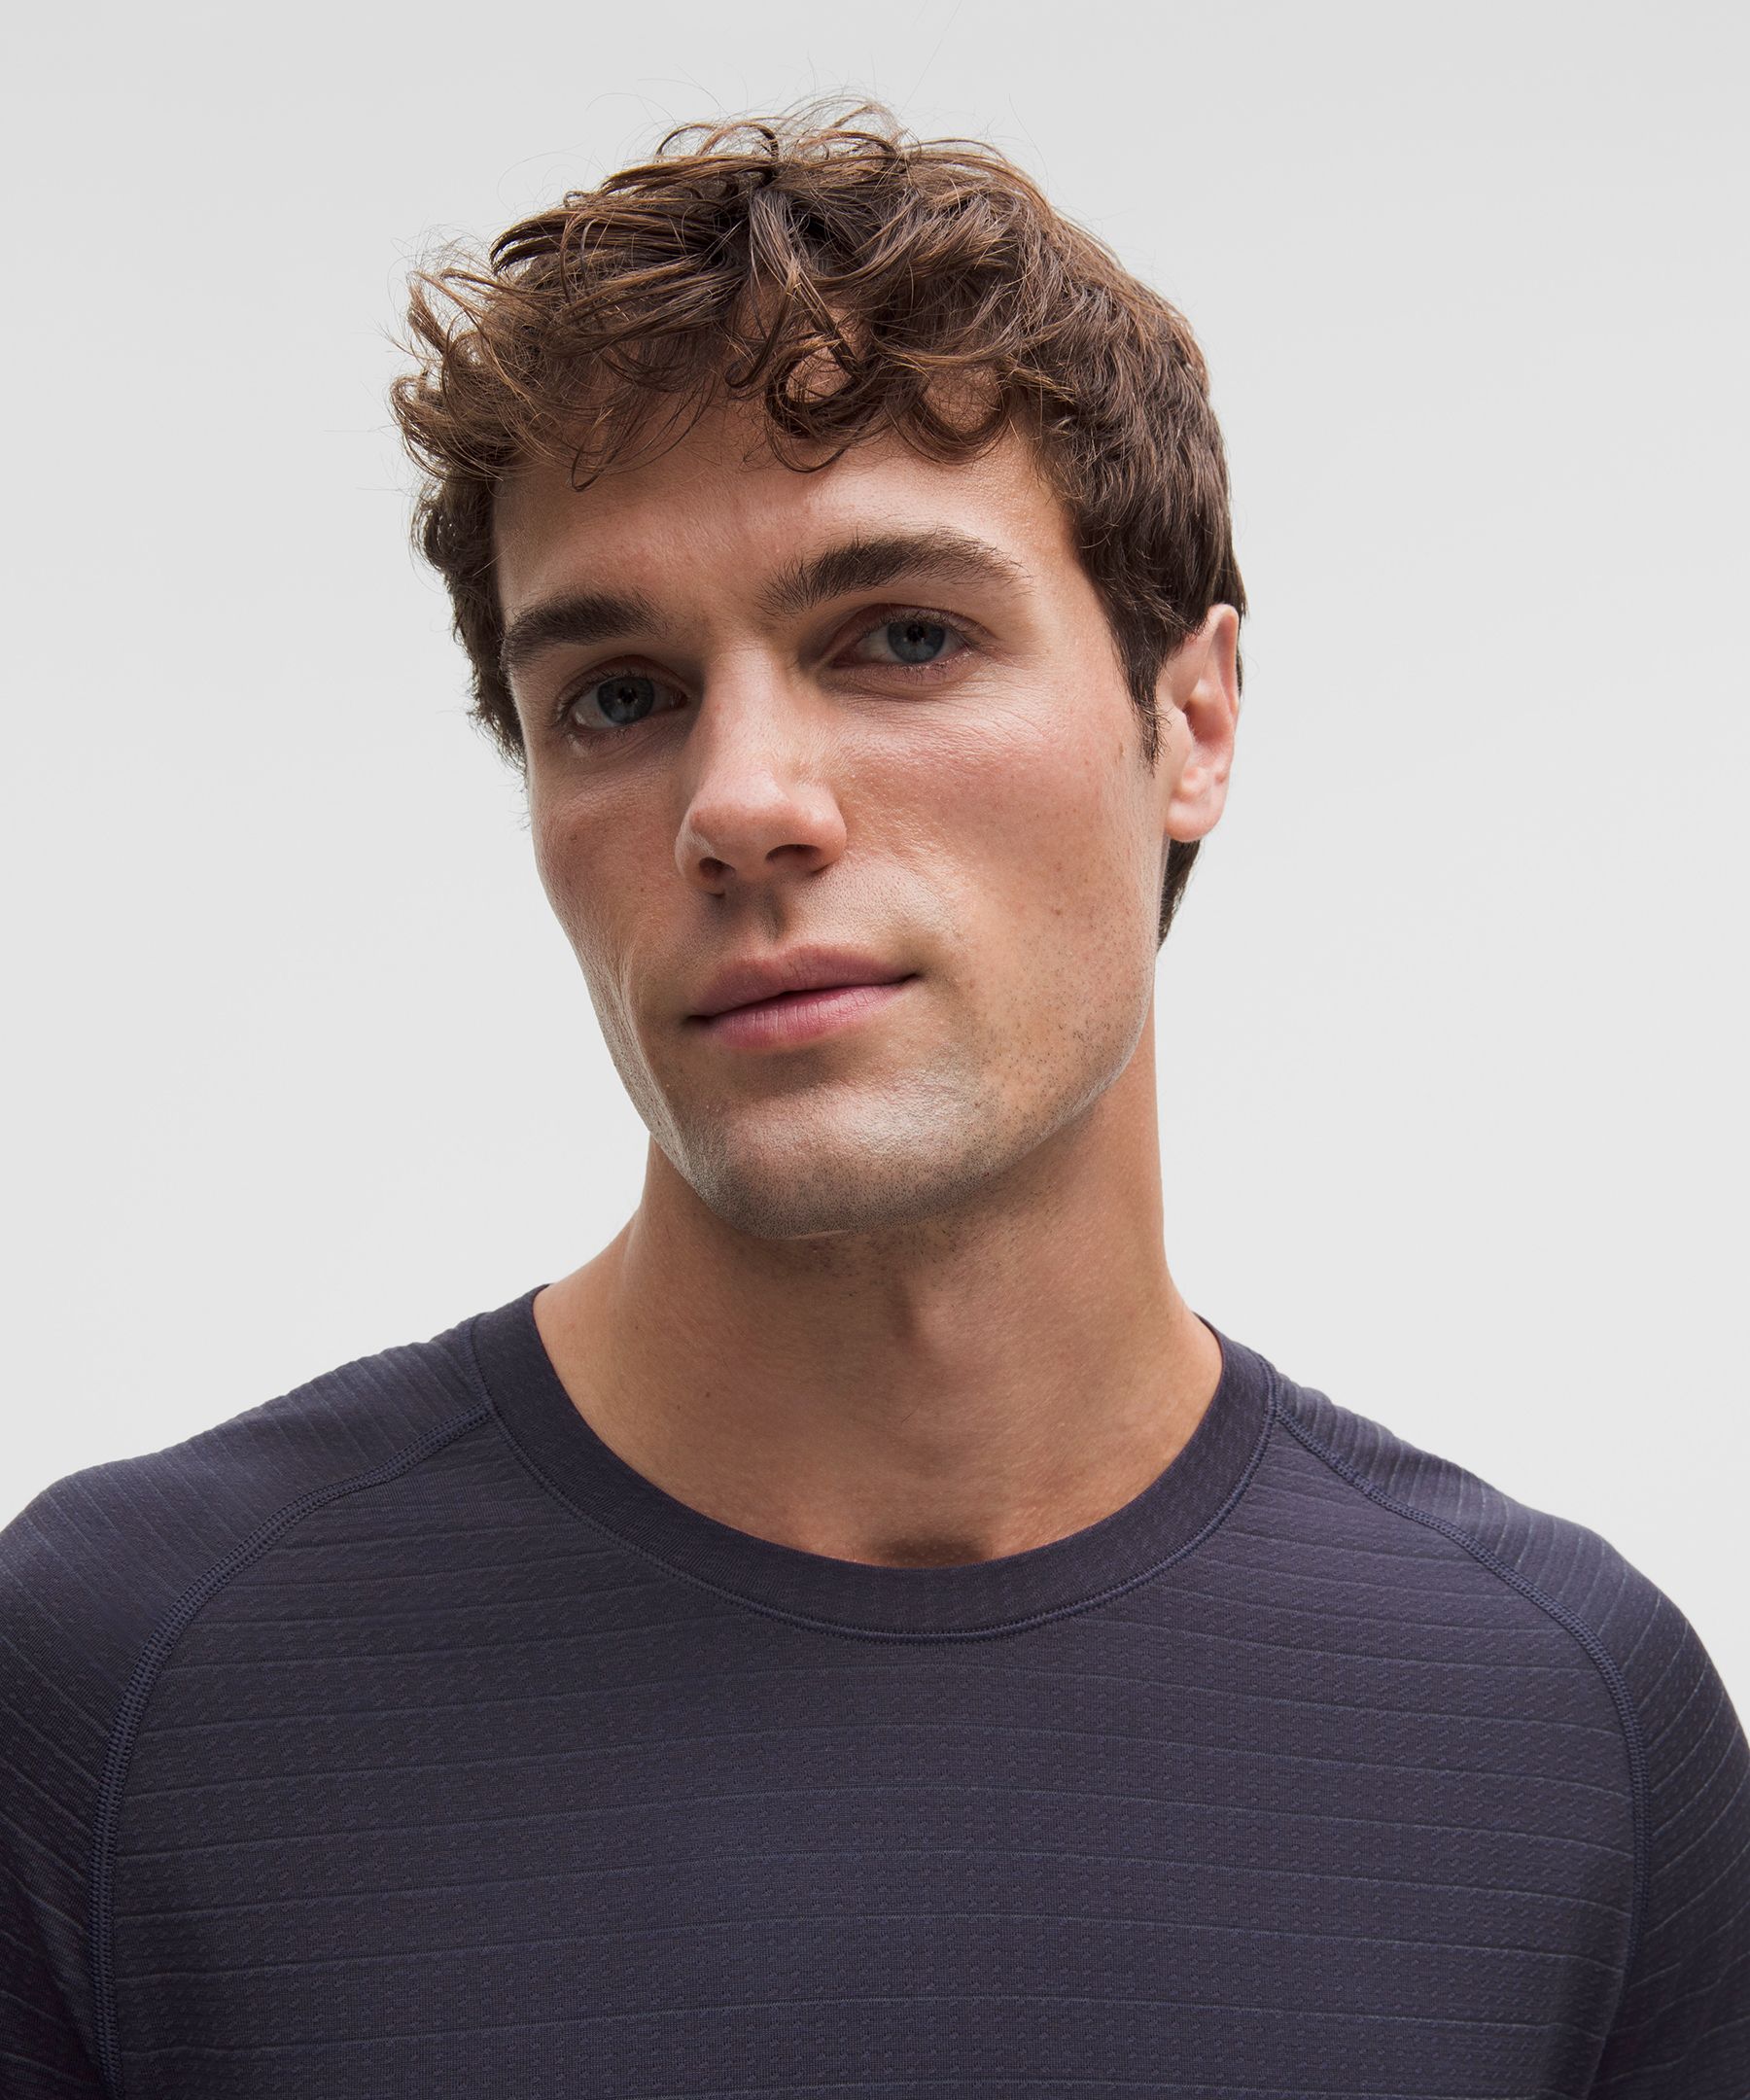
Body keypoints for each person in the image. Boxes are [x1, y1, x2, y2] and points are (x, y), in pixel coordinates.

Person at [2, 95, 1744, 2100]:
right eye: (620, 697)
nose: (743, 803)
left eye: (902, 638)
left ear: (1191, 721)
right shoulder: (120, 1695)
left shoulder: (1569, 1737)